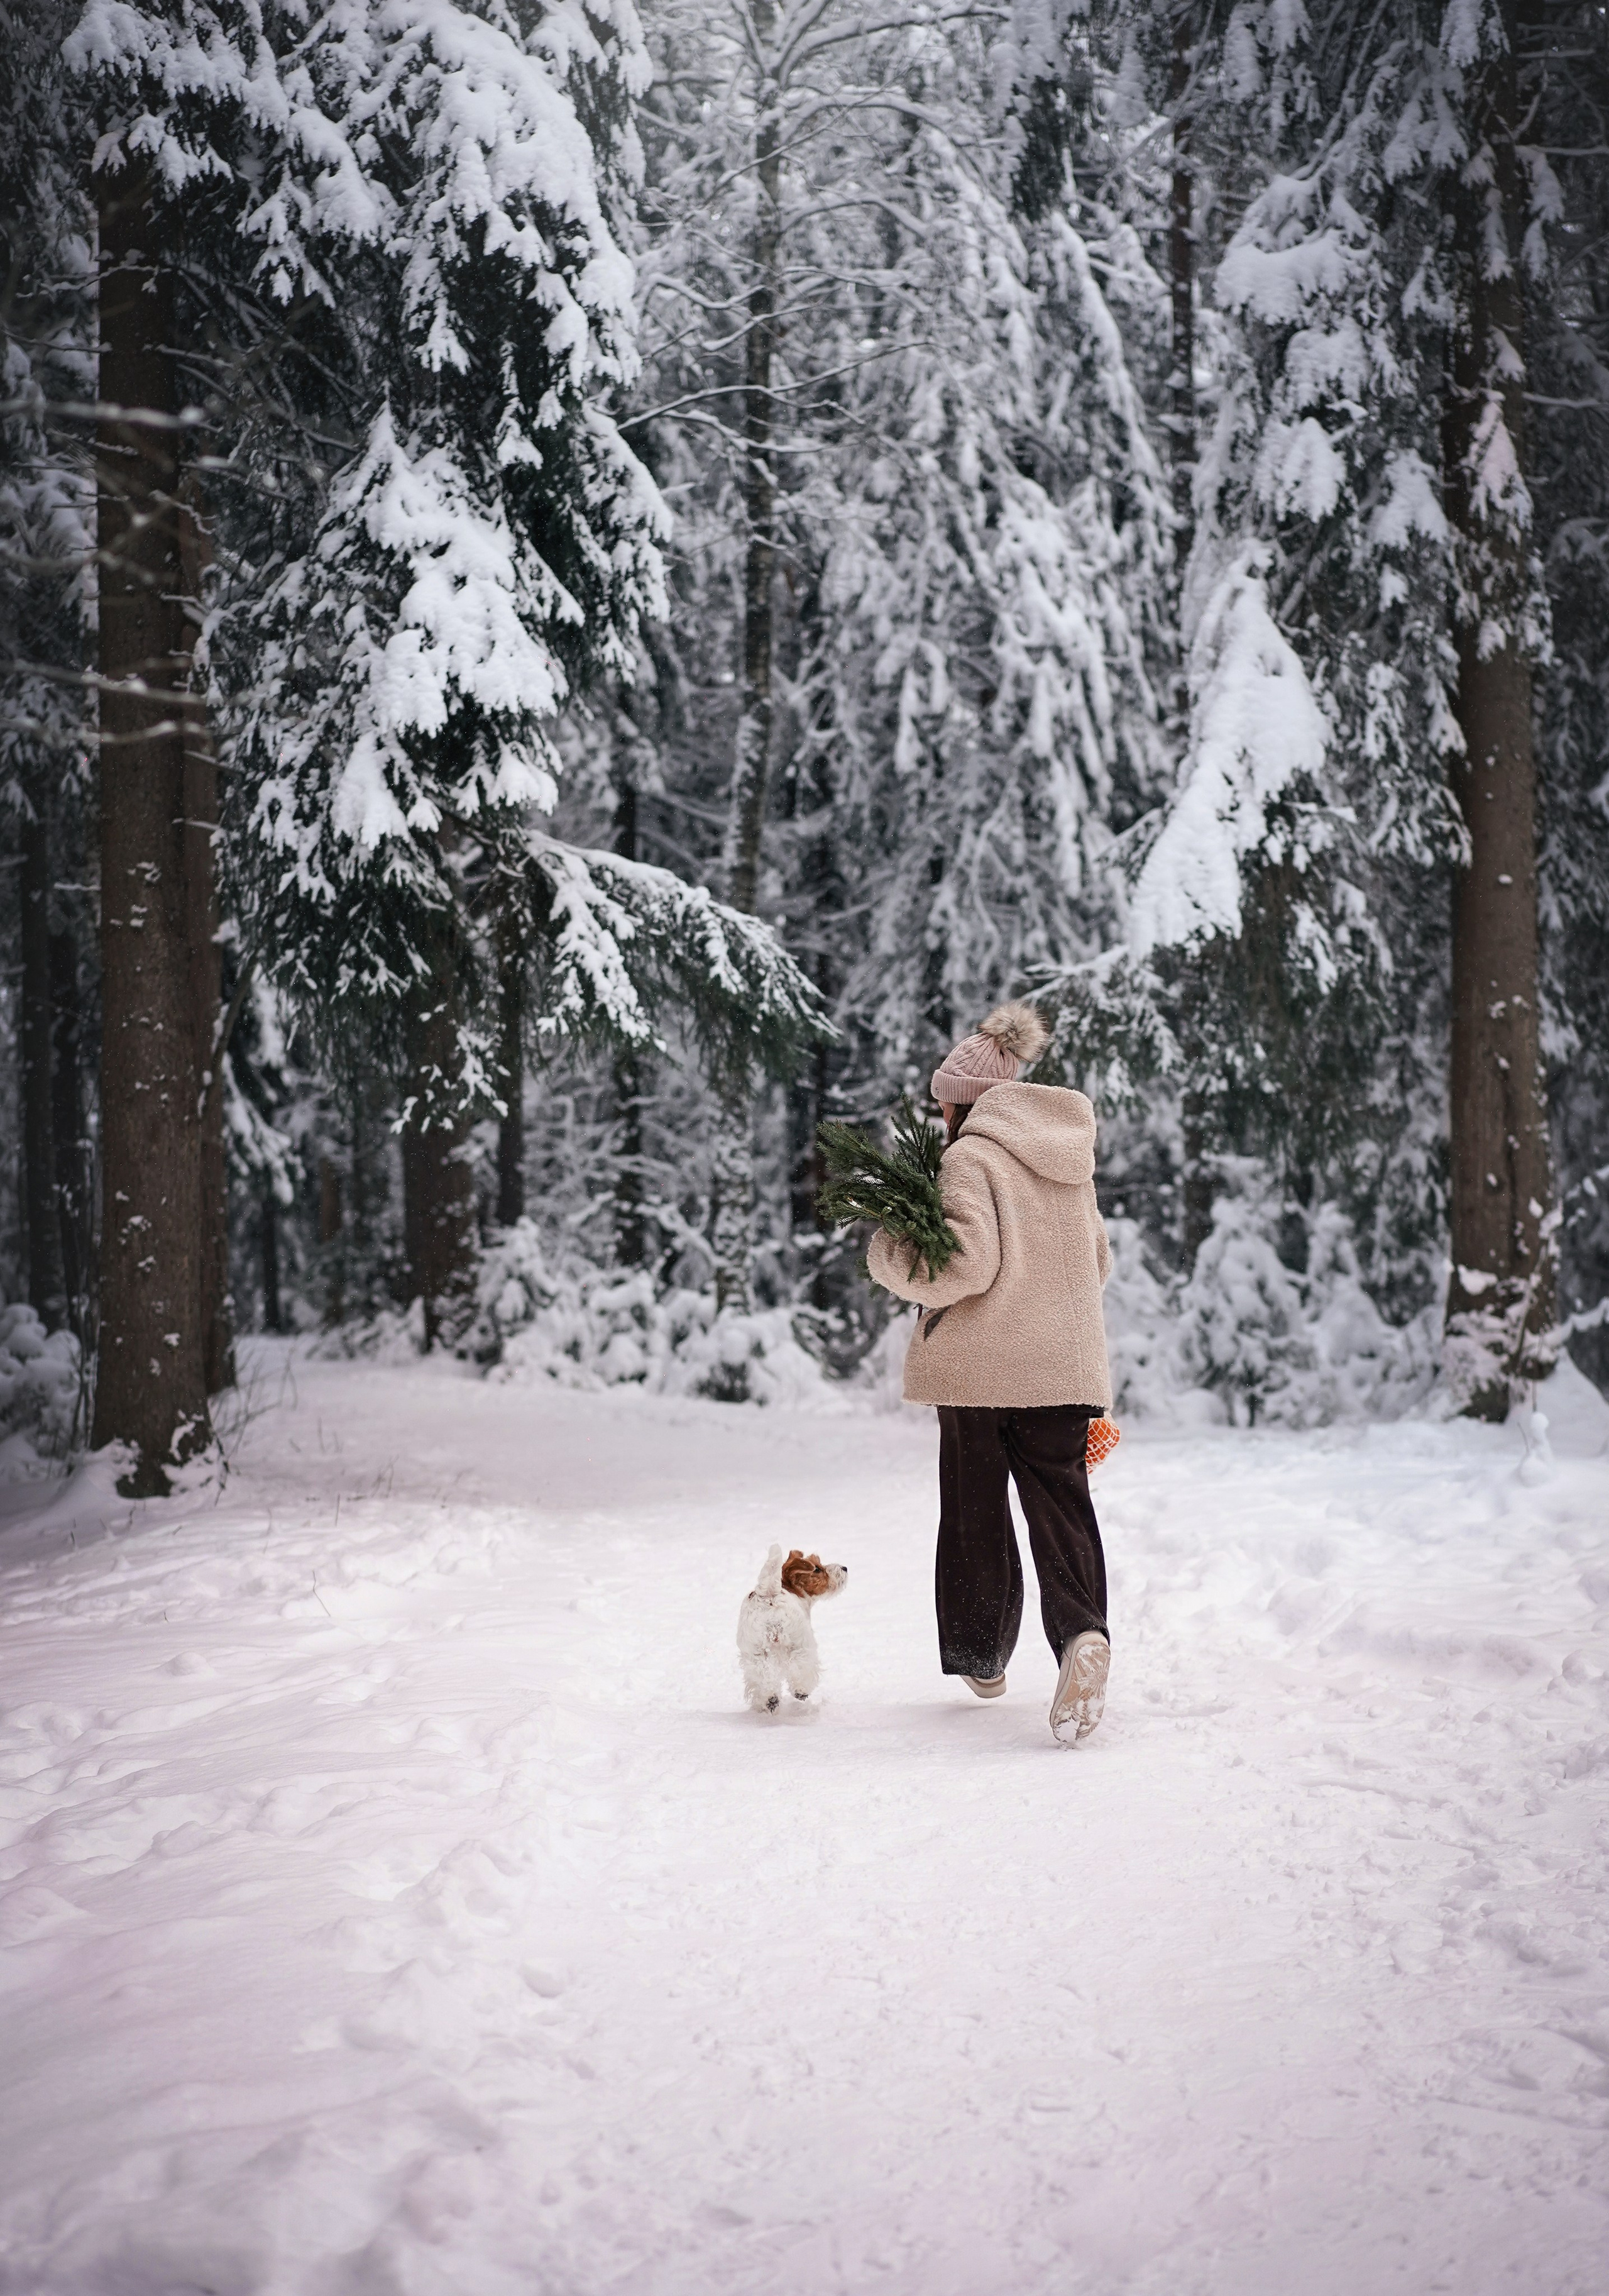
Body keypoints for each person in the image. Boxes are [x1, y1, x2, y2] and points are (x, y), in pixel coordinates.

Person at [866, 1002, 1115, 1745]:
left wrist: (889, 1251)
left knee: (976, 1504)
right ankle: (1083, 1636)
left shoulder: (969, 1158)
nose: (937, 1107)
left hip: (981, 1371)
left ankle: (982, 1653)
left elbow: (963, 1263)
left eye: (941, 1096)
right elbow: (1097, 1261)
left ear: (962, 1101)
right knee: (1061, 1505)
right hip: (1066, 1369)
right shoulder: (1070, 1159)